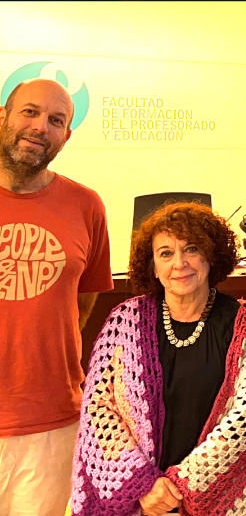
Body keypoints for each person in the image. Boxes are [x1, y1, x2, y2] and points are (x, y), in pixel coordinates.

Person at [71, 202, 246, 516]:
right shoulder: (125, 321)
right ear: (151, 265)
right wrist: (143, 484)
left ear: (211, 255)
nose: (179, 263)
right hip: (137, 499)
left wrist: (183, 485)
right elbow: (99, 409)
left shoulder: (243, 325)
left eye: (191, 249)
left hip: (210, 493)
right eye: (165, 253)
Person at [0, 78, 112, 515]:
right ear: (4, 116)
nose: (40, 126)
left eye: (56, 120)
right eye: (29, 112)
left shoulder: (86, 205)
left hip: (49, 422)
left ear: (66, 135)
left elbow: (83, 304)